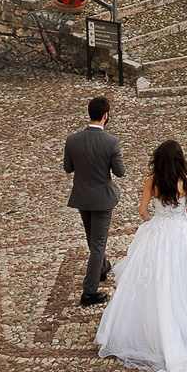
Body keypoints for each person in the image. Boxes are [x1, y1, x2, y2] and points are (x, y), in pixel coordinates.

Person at [95, 139, 187, 372]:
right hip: (181, 235)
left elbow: (141, 210)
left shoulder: (152, 181)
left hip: (158, 233)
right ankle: (183, 320)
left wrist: (152, 222)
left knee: (153, 280)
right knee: (182, 278)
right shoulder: (186, 182)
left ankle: (153, 327)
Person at [62, 95, 125, 306]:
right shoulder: (111, 142)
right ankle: (89, 291)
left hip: (82, 196)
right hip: (103, 200)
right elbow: (120, 171)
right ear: (106, 116)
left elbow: (68, 168)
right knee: (97, 243)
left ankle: (102, 266)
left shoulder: (72, 140)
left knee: (92, 239)